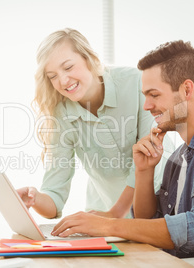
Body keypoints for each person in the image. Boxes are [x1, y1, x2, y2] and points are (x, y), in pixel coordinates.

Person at [51, 40, 194, 259]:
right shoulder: (179, 156)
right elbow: (149, 225)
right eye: (144, 95)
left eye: (154, 95)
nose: (146, 106)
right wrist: (144, 172)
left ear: (186, 90)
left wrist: (108, 225)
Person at [17, 28, 171, 219]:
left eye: (68, 67)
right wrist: (35, 198)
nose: (63, 80)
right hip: (107, 215)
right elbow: (54, 198)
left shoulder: (136, 83)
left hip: (164, 203)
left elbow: (148, 158)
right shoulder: (61, 114)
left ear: (88, 58)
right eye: (52, 76)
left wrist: (114, 214)